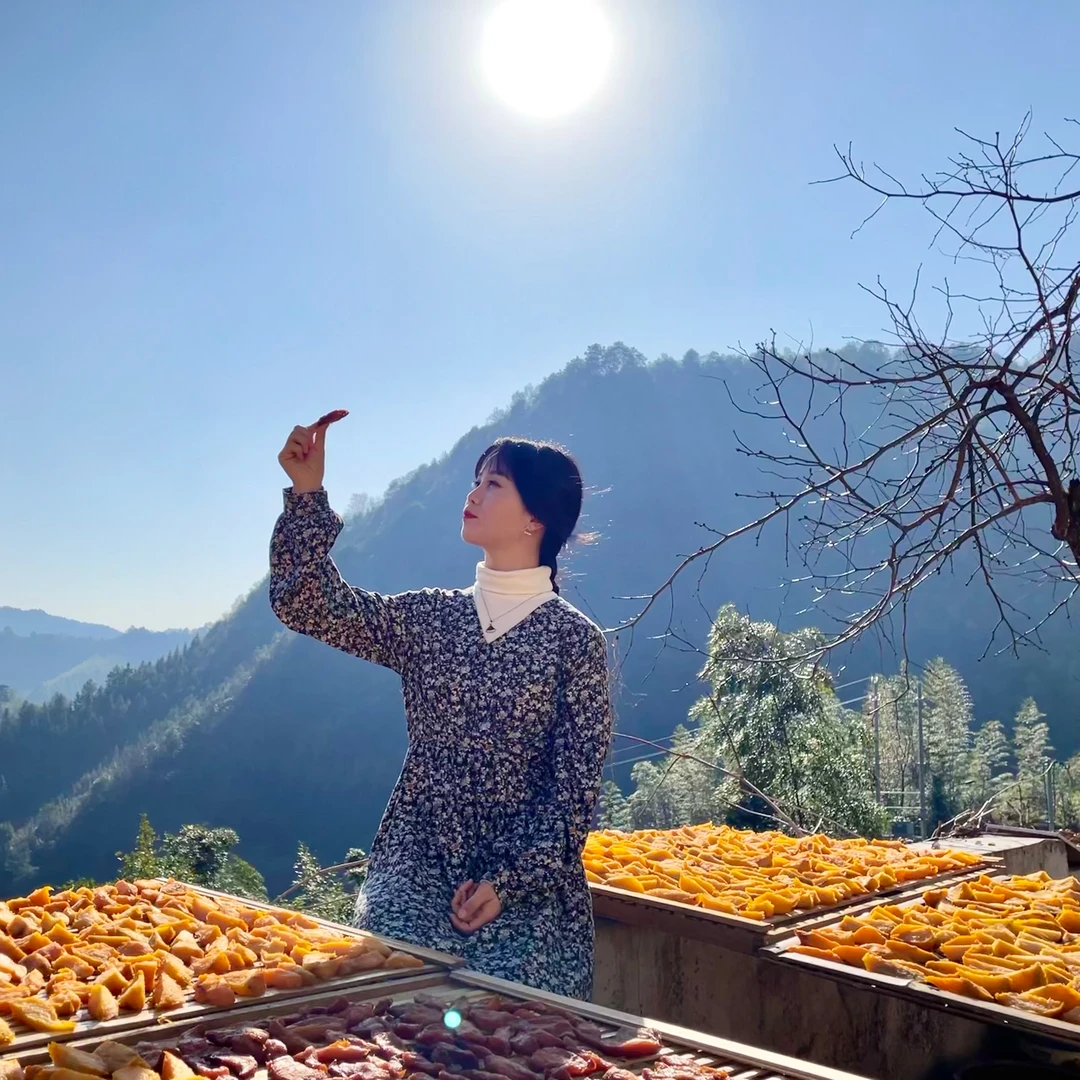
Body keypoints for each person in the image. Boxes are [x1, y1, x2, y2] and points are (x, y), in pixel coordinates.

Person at [269, 415, 613, 999]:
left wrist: (506, 883)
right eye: (476, 480)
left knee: (505, 1017)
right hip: (416, 858)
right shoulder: (431, 618)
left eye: (493, 484)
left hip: (524, 884)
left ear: (537, 518)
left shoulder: (574, 642)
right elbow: (307, 604)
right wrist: (307, 493)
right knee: (390, 994)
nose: (472, 494)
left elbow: (573, 792)